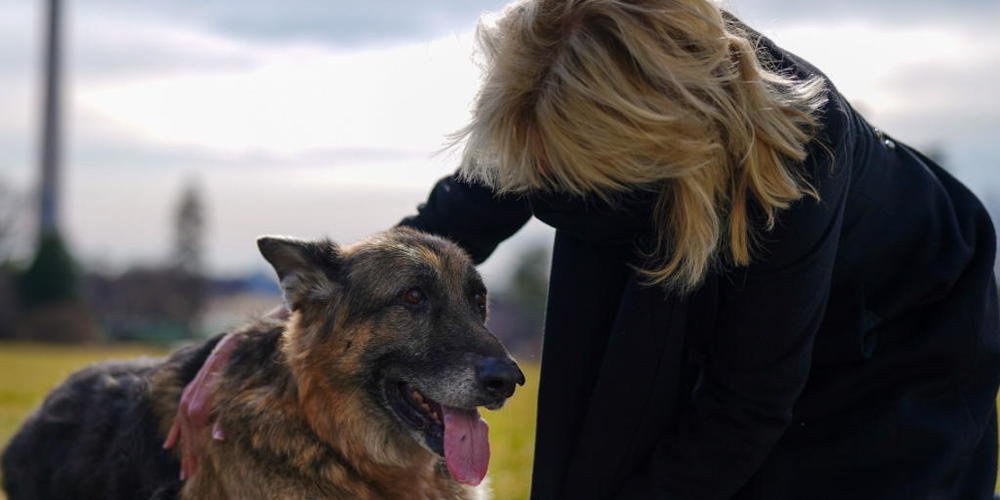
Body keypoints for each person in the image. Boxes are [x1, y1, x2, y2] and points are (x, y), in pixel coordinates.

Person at [167, 0, 1000, 498]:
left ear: (646, 142)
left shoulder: (794, 161)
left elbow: (745, 405)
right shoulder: (560, 67)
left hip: (899, 328)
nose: (541, 184)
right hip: (686, 229)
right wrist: (265, 339)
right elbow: (437, 237)